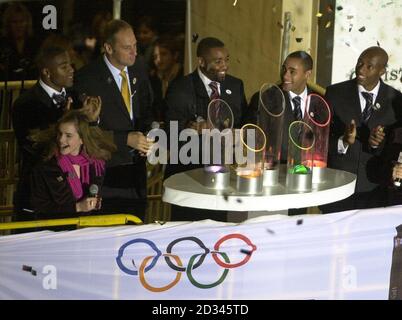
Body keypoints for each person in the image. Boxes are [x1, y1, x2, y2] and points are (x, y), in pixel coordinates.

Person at [12, 43, 101, 225]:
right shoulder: (26, 104)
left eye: (70, 64)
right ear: (46, 72)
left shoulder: (77, 98)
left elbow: (91, 147)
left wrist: (92, 122)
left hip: (79, 196)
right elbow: (35, 149)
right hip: (41, 199)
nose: (71, 70)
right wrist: (62, 121)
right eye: (63, 66)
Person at [73, 19, 154, 220]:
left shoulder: (139, 70)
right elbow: (83, 131)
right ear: (108, 48)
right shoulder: (87, 78)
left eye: (135, 45)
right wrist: (123, 139)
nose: (134, 51)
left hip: (135, 170)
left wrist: (150, 135)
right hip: (104, 172)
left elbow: (148, 109)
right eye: (127, 47)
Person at [164, 36, 248, 221]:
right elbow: (169, 133)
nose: (224, 65)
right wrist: (193, 128)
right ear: (201, 61)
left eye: (226, 59)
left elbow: (243, 124)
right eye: (218, 61)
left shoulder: (235, 85)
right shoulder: (180, 88)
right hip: (189, 176)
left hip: (223, 179)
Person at [322, 46, 402, 213]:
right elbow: (320, 138)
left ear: (382, 71)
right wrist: (343, 141)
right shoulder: (335, 93)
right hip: (338, 187)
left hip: (374, 191)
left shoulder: (396, 99)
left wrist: (375, 144)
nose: (361, 69)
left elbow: (394, 148)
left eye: (369, 66)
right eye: (360, 63)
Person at [30, 110, 116, 223]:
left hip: (87, 231)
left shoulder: (96, 165)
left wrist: (94, 204)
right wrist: (78, 207)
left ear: (82, 139)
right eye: (60, 134)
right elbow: (40, 208)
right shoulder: (47, 166)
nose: (61, 140)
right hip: (55, 233)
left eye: (68, 136)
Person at [248, 51, 317, 163]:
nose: (285, 75)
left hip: (308, 172)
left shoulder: (319, 102)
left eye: (292, 72)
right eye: (284, 69)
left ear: (307, 74)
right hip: (274, 171)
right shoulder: (265, 98)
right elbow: (253, 139)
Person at [0, 2, 39, 81]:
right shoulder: (2, 44)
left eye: (22, 21)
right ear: (8, 24)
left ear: (27, 22)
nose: (19, 25)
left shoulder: (35, 43)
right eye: (15, 22)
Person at [149, 34, 183, 123]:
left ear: (175, 55)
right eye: (155, 56)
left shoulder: (183, 76)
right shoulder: (154, 79)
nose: (159, 60)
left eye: (163, 54)